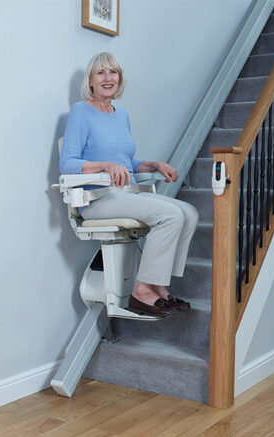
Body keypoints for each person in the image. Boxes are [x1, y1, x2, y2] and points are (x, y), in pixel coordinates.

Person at [60, 52, 198, 317]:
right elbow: (67, 164)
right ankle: (142, 291)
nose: (108, 78)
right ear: (90, 80)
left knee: (189, 213)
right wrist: (104, 165)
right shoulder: (81, 111)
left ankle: (159, 287)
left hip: (125, 194)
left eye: (113, 72)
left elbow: (127, 162)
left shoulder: (121, 115)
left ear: (120, 79)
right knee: (170, 215)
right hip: (98, 199)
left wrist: (154, 165)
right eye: (101, 72)